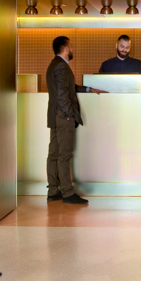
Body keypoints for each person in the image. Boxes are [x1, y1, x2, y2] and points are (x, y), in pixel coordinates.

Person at [46, 36, 107, 205]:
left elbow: (69, 88)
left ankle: (53, 191)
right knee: (64, 155)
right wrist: (69, 114)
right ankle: (67, 193)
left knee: (54, 154)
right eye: (71, 46)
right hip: (63, 117)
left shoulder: (54, 65)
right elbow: (62, 94)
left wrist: (89, 89)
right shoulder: (62, 67)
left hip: (55, 115)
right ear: (66, 48)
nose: (72, 49)